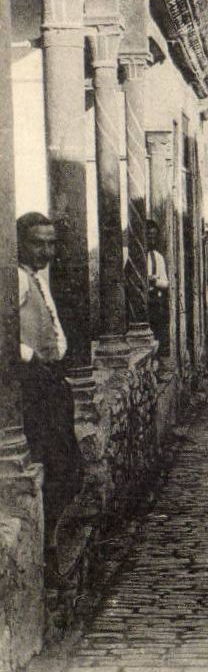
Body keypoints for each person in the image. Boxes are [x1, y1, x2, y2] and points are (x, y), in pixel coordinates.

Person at [16, 212, 84, 550]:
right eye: (37, 243)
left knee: (68, 468)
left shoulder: (36, 277)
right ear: (18, 243)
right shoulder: (14, 278)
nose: (46, 251)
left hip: (52, 381)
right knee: (55, 465)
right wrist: (29, 356)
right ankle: (45, 547)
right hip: (33, 384)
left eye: (51, 243)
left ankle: (49, 541)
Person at [145, 219, 170, 343]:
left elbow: (166, 283)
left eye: (154, 236)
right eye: (149, 236)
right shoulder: (131, 256)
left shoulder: (158, 257)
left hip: (153, 302)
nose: (152, 240)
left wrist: (154, 281)